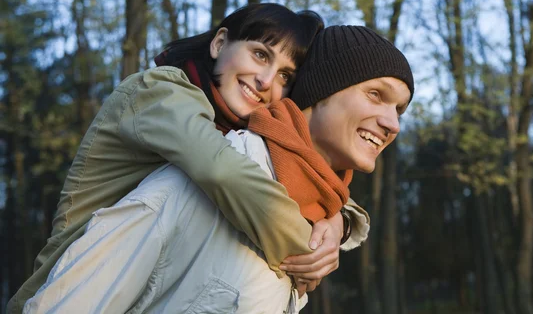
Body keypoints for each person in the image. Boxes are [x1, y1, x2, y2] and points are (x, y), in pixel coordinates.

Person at [23, 25, 414, 313]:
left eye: (399, 110)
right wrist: (304, 240)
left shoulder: (319, 208)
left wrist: (337, 222)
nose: (393, 124)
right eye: (376, 95)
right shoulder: (193, 164)